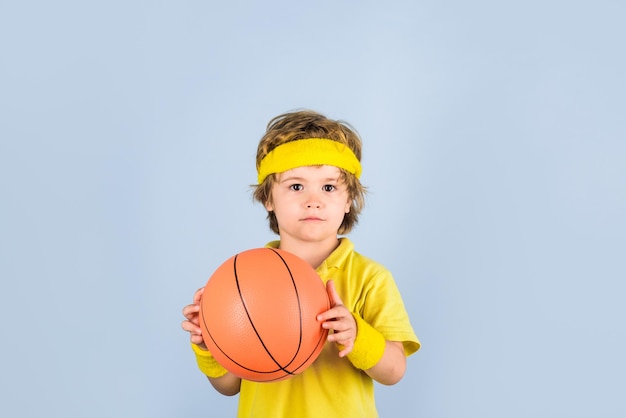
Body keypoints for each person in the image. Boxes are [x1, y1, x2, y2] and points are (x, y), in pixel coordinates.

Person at [181, 110, 420, 417]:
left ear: (349, 201)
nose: (313, 200)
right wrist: (209, 344)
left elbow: (395, 370)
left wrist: (357, 337)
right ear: (269, 198)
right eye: (296, 186)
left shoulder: (370, 278)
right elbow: (229, 385)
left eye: (329, 187)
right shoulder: (244, 282)